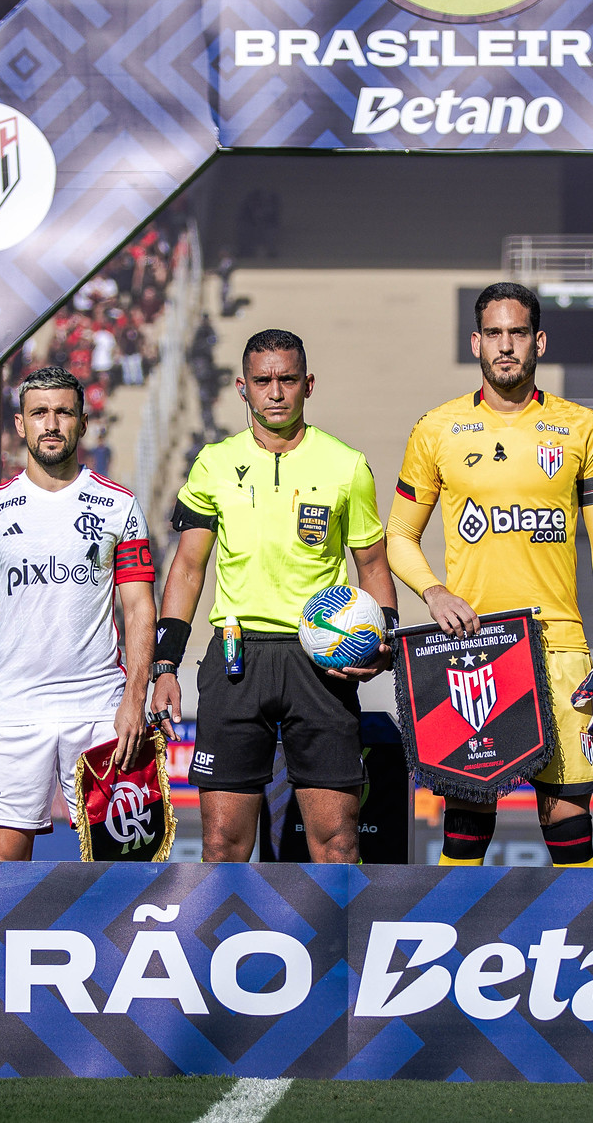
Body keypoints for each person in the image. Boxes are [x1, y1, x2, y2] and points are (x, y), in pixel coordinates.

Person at [386, 283, 593, 868]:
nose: (505, 346)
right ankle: (449, 950)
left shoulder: (581, 427)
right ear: (475, 342)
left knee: (569, 820)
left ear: (538, 341)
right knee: (467, 823)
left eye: (517, 333)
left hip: (560, 645)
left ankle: (585, 958)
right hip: (474, 648)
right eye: (494, 334)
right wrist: (434, 590)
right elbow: (398, 534)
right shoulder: (437, 428)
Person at [150, 328, 397, 863]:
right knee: (221, 844)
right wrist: (165, 663)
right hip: (238, 657)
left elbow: (372, 563)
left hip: (322, 660)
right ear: (243, 387)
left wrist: (387, 642)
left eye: (287, 379)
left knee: (336, 842)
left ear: (309, 384)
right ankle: (226, 946)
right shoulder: (214, 462)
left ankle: (334, 947)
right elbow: (188, 568)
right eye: (263, 381)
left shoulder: (346, 464)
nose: (276, 392)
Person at [0, 365, 158, 860]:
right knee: (2, 868)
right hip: (12, 711)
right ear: (20, 424)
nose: (51, 424)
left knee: (125, 867)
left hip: (101, 709)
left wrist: (135, 697)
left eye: (63, 412)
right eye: (39, 413)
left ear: (83, 422)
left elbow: (138, 608)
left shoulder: (119, 505)